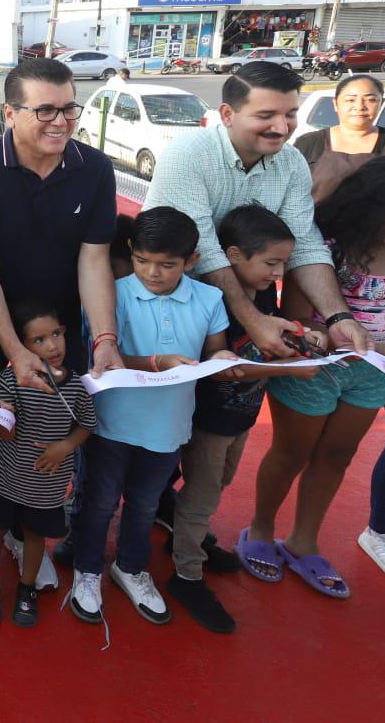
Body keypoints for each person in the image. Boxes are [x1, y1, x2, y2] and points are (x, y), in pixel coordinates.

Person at [251, 158, 385, 598]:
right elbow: (299, 321)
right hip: (315, 367)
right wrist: (379, 348)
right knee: (291, 454)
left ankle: (304, 540)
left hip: (371, 377)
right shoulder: (325, 248)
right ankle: (261, 531)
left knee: (337, 456)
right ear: (368, 203)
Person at [0, 58, 121, 564]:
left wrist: (105, 339)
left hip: (54, 331)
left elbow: (94, 261)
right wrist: (11, 349)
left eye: (69, 108)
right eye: (45, 110)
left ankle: (29, 530)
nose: (61, 121)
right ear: (9, 113)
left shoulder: (95, 170)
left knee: (43, 427)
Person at [145, 60, 373, 364]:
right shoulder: (188, 154)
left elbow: (304, 244)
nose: (281, 128)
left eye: (290, 114)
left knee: (236, 405)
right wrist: (254, 322)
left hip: (251, 296)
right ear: (227, 114)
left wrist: (338, 317)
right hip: (175, 298)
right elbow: (206, 250)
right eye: (265, 116)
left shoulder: (292, 162)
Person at [70, 207, 233, 627]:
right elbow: (104, 357)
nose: (153, 273)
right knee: (100, 502)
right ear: (131, 251)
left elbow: (215, 350)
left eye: (167, 265)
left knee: (144, 506)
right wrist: (157, 361)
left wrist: (225, 358)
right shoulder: (113, 293)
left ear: (191, 261)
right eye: (143, 261)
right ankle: (87, 570)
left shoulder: (210, 299)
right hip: (111, 425)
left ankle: (130, 566)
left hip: (169, 428)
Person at [170, 205, 324, 633]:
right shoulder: (212, 297)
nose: (278, 274)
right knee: (201, 495)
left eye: (283, 265)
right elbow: (223, 366)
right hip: (211, 417)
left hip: (242, 416)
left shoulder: (261, 295)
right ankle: (186, 574)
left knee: (219, 483)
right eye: (271, 263)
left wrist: (300, 338)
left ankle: (190, 543)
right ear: (234, 255)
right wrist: (286, 368)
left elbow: (262, 344)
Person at [0, 298, 96, 629]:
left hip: (46, 486)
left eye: (55, 334)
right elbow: (5, 426)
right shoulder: (11, 380)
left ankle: (26, 589)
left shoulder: (77, 386)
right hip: (6, 478)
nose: (51, 345)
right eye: (38, 340)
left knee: (35, 535)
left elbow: (86, 423)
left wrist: (65, 447)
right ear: (22, 346)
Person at [291, 75, 385, 202]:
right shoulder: (309, 143)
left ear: (381, 103)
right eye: (350, 100)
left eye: (371, 100)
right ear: (335, 104)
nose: (360, 107)